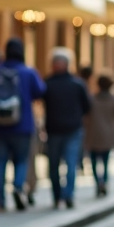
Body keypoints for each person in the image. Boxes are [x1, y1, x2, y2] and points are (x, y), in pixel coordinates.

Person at [0, 38, 45, 212]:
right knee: (21, 160)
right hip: (22, 126)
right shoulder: (28, 72)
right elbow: (40, 92)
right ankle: (18, 187)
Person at [42, 47, 91, 208]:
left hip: (58, 129)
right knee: (69, 164)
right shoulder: (77, 84)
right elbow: (87, 106)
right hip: (69, 129)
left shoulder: (47, 83)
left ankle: (59, 197)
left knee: (56, 165)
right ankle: (66, 195)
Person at [85, 75, 114, 196]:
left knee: (94, 162)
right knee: (106, 162)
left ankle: (98, 182)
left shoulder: (91, 99)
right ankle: (104, 182)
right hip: (108, 135)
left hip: (93, 134)